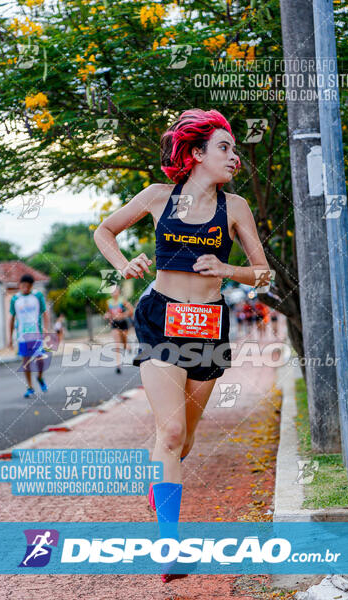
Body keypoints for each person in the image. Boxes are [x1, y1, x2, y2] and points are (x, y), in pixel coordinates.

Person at [93, 108, 271, 582]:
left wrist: (228, 270)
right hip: (159, 319)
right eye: (224, 148)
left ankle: (160, 477)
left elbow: (263, 271)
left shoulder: (234, 207)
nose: (234, 157)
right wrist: (123, 262)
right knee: (168, 434)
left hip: (208, 325)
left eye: (234, 149)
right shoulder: (157, 196)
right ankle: (169, 547)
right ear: (195, 154)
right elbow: (104, 230)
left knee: (185, 439)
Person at [9, 274, 50, 398]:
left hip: (36, 334)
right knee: (26, 362)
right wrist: (10, 338)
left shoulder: (37, 296)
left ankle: (40, 377)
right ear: (19, 285)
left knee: (40, 359)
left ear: (32, 286)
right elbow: (11, 318)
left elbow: (45, 313)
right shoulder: (15, 299)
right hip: (22, 336)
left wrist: (47, 330)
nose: (25, 288)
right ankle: (30, 387)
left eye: (28, 286)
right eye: (23, 285)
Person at [104, 285, 134, 374]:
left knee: (124, 343)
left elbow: (131, 310)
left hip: (123, 323)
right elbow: (108, 312)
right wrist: (107, 316)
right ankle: (118, 366)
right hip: (114, 324)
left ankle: (127, 347)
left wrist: (123, 315)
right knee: (117, 345)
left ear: (118, 292)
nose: (114, 293)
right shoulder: (108, 302)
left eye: (115, 291)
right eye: (112, 292)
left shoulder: (122, 300)